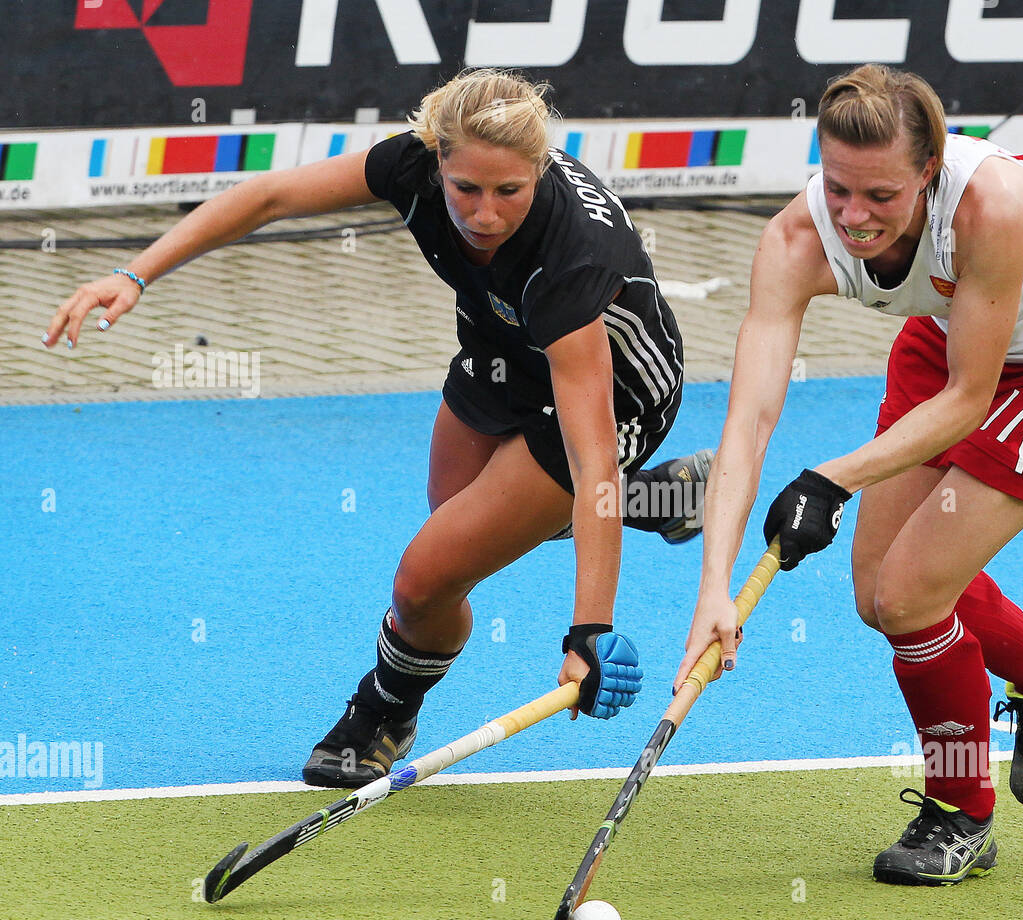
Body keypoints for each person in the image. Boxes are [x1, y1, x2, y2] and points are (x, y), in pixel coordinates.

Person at [44, 69, 712, 789]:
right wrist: (135, 276)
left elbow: (591, 461)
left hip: (615, 386)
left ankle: (381, 713)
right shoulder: (410, 166)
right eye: (466, 190)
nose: (484, 214)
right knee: (454, 536)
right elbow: (269, 196)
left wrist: (589, 631)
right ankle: (657, 500)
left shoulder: (572, 254)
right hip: (501, 350)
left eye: (508, 192)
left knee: (426, 577)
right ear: (436, 160)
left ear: (539, 170)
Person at [675, 64, 1023, 885]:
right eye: (839, 187)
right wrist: (713, 588)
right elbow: (745, 423)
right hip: (949, 333)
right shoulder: (794, 239)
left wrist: (833, 477)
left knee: (910, 594)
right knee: (875, 594)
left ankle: (962, 812)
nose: (853, 217)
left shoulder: (995, 204)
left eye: (881, 197)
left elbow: (971, 398)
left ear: (929, 171)